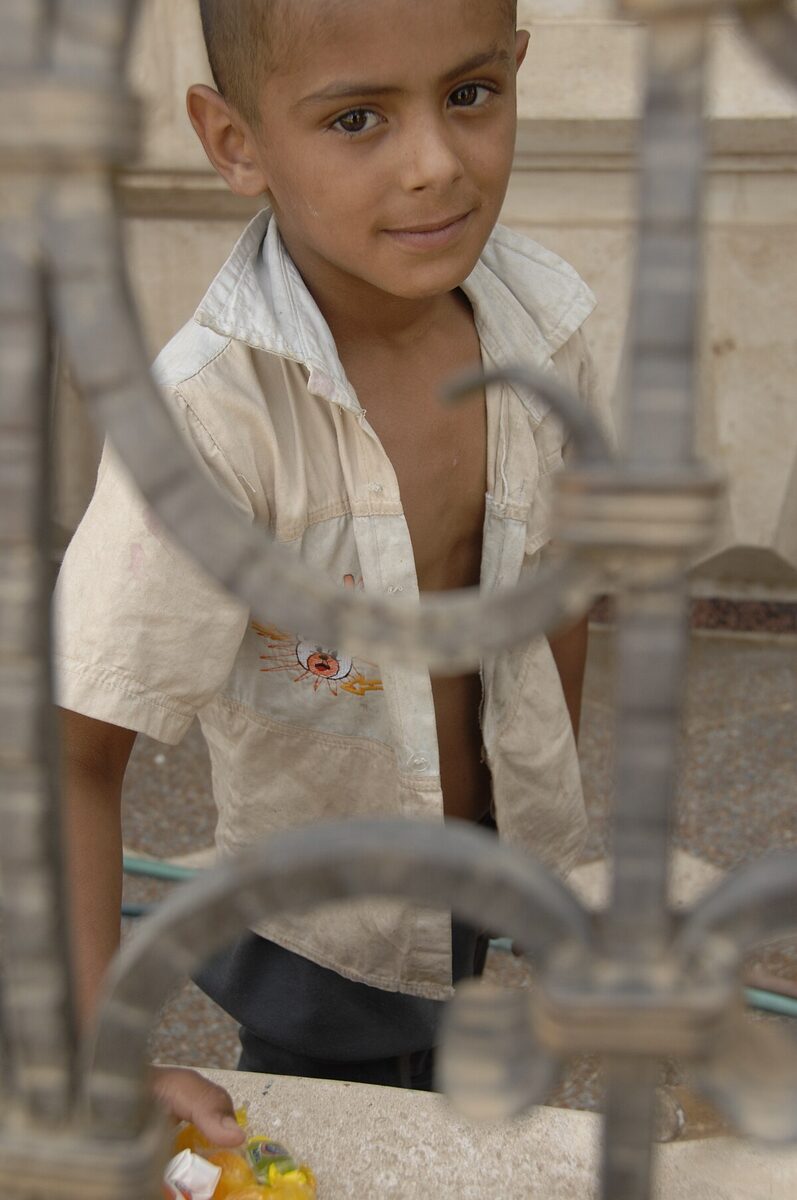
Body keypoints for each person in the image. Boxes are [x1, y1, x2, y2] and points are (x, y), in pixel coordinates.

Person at [56, 0, 612, 1147]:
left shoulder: (540, 328)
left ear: (515, 67)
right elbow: (66, 749)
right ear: (234, 141)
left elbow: (558, 591)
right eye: (357, 117)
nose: (434, 167)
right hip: (317, 927)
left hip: (479, 887)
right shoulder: (211, 423)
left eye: (469, 95)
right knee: (331, 1140)